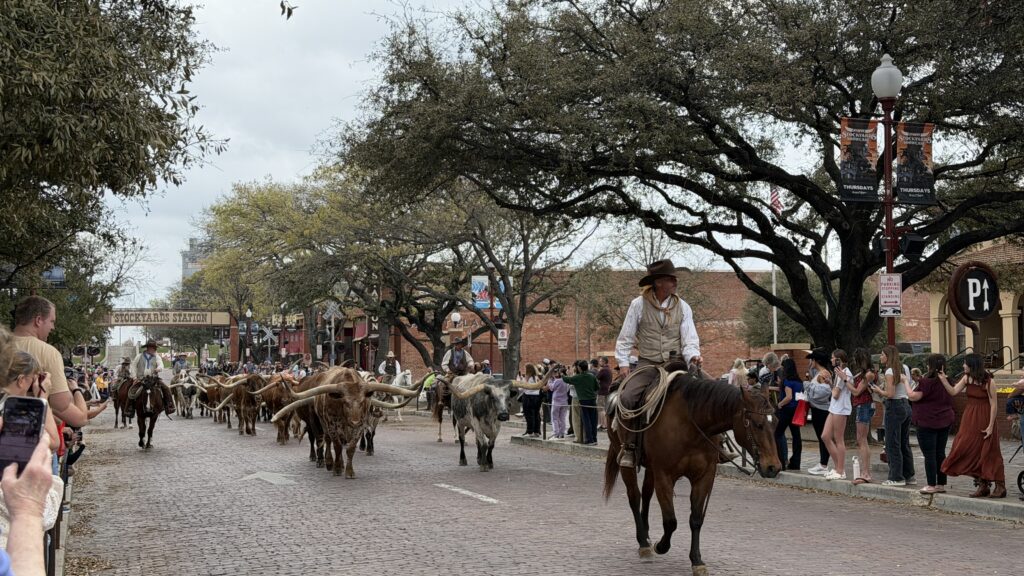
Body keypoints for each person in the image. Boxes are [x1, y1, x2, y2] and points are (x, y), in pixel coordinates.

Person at [613, 259, 702, 468]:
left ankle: (717, 443)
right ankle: (629, 447)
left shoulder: (683, 306)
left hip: (676, 363)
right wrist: (623, 363)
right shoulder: (638, 305)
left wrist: (693, 356)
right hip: (648, 364)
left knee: (711, 390)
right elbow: (625, 337)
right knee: (627, 397)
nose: (675, 282)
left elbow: (690, 338)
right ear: (658, 282)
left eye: (674, 279)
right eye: (671, 279)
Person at [0, 351, 64, 545]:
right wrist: (43, 396)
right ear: (21, 380)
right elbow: (53, 441)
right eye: (32, 378)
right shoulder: (17, 411)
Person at [9, 296, 96, 427]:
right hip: (28, 439)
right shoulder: (48, 352)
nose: (53, 327)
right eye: (51, 321)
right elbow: (76, 416)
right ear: (38, 320)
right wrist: (77, 390)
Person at [940, 353, 1006, 498]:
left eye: (965, 363)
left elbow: (994, 405)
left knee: (990, 451)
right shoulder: (966, 378)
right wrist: (944, 380)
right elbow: (953, 391)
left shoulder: (989, 381)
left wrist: (990, 426)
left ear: (972, 365)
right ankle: (982, 484)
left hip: (985, 418)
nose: (963, 366)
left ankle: (1000, 486)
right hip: (970, 418)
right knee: (965, 446)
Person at [907, 354, 955, 495]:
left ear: (930, 366)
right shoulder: (948, 381)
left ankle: (931, 484)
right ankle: (941, 483)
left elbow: (913, 396)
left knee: (929, 454)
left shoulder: (926, 382)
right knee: (940, 452)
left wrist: (905, 382)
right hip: (945, 419)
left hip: (927, 420)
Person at [871, 345, 915, 486]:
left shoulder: (890, 371)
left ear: (888, 356)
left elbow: (890, 393)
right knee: (904, 442)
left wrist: (878, 390)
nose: (880, 357)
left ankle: (896, 477)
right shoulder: (905, 368)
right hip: (906, 405)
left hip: (894, 406)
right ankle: (909, 475)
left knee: (892, 443)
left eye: (882, 354)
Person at [822, 349, 854, 480]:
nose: (831, 360)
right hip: (834, 407)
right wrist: (831, 384)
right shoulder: (838, 373)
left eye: (833, 358)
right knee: (825, 436)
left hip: (841, 409)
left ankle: (840, 470)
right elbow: (835, 391)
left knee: (839, 439)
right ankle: (837, 467)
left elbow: (836, 394)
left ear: (838, 360)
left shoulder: (844, 373)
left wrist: (834, 385)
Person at [849, 348, 877, 485]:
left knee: (862, 439)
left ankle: (866, 473)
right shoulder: (863, 373)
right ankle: (864, 472)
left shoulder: (869, 374)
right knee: (861, 439)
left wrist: (844, 381)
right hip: (863, 406)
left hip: (864, 405)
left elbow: (856, 391)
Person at [126, 340, 175, 417]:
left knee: (166, 388)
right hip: (141, 379)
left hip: (153, 379)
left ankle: (169, 406)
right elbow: (133, 366)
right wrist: (135, 377)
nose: (154, 349)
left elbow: (161, 365)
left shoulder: (157, 357)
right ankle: (129, 409)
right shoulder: (139, 356)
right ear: (148, 348)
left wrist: (158, 368)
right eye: (152, 348)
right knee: (131, 390)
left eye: (155, 348)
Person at [804, 349, 833, 476]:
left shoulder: (823, 374)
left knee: (823, 437)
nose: (811, 362)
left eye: (812, 359)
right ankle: (823, 463)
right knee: (822, 437)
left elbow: (824, 392)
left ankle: (823, 464)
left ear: (816, 360)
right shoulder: (819, 373)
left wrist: (808, 386)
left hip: (821, 410)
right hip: (818, 409)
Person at [774, 357, 804, 470]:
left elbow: (788, 397)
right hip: (796, 410)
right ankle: (796, 462)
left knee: (777, 434)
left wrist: (779, 404)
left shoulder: (787, 381)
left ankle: (781, 460)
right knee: (796, 436)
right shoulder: (799, 381)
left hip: (786, 410)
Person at [563, 360, 599, 445]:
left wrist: (563, 373)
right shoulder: (592, 376)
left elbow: (566, 379)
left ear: (579, 368)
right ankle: (595, 439)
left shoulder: (578, 377)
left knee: (586, 421)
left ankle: (590, 440)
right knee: (593, 420)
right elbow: (597, 387)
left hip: (583, 401)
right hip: (593, 400)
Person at [545, 365, 570, 439]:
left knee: (555, 418)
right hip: (564, 401)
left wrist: (549, 381)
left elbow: (552, 388)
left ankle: (556, 433)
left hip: (556, 401)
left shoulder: (558, 381)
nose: (555, 374)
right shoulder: (567, 381)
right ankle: (562, 433)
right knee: (562, 418)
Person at [518, 363, 542, 437]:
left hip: (528, 397)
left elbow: (522, 388)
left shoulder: (527, 378)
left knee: (529, 415)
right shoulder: (537, 377)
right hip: (537, 397)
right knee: (536, 414)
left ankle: (530, 431)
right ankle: (537, 431)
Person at [596, 356, 612, 431]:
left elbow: (596, 377)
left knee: (600, 408)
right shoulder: (609, 369)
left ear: (604, 362)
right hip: (607, 390)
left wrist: (599, 371)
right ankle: (605, 424)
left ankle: (603, 425)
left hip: (602, 391)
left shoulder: (603, 370)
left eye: (601, 361)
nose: (599, 363)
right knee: (605, 408)